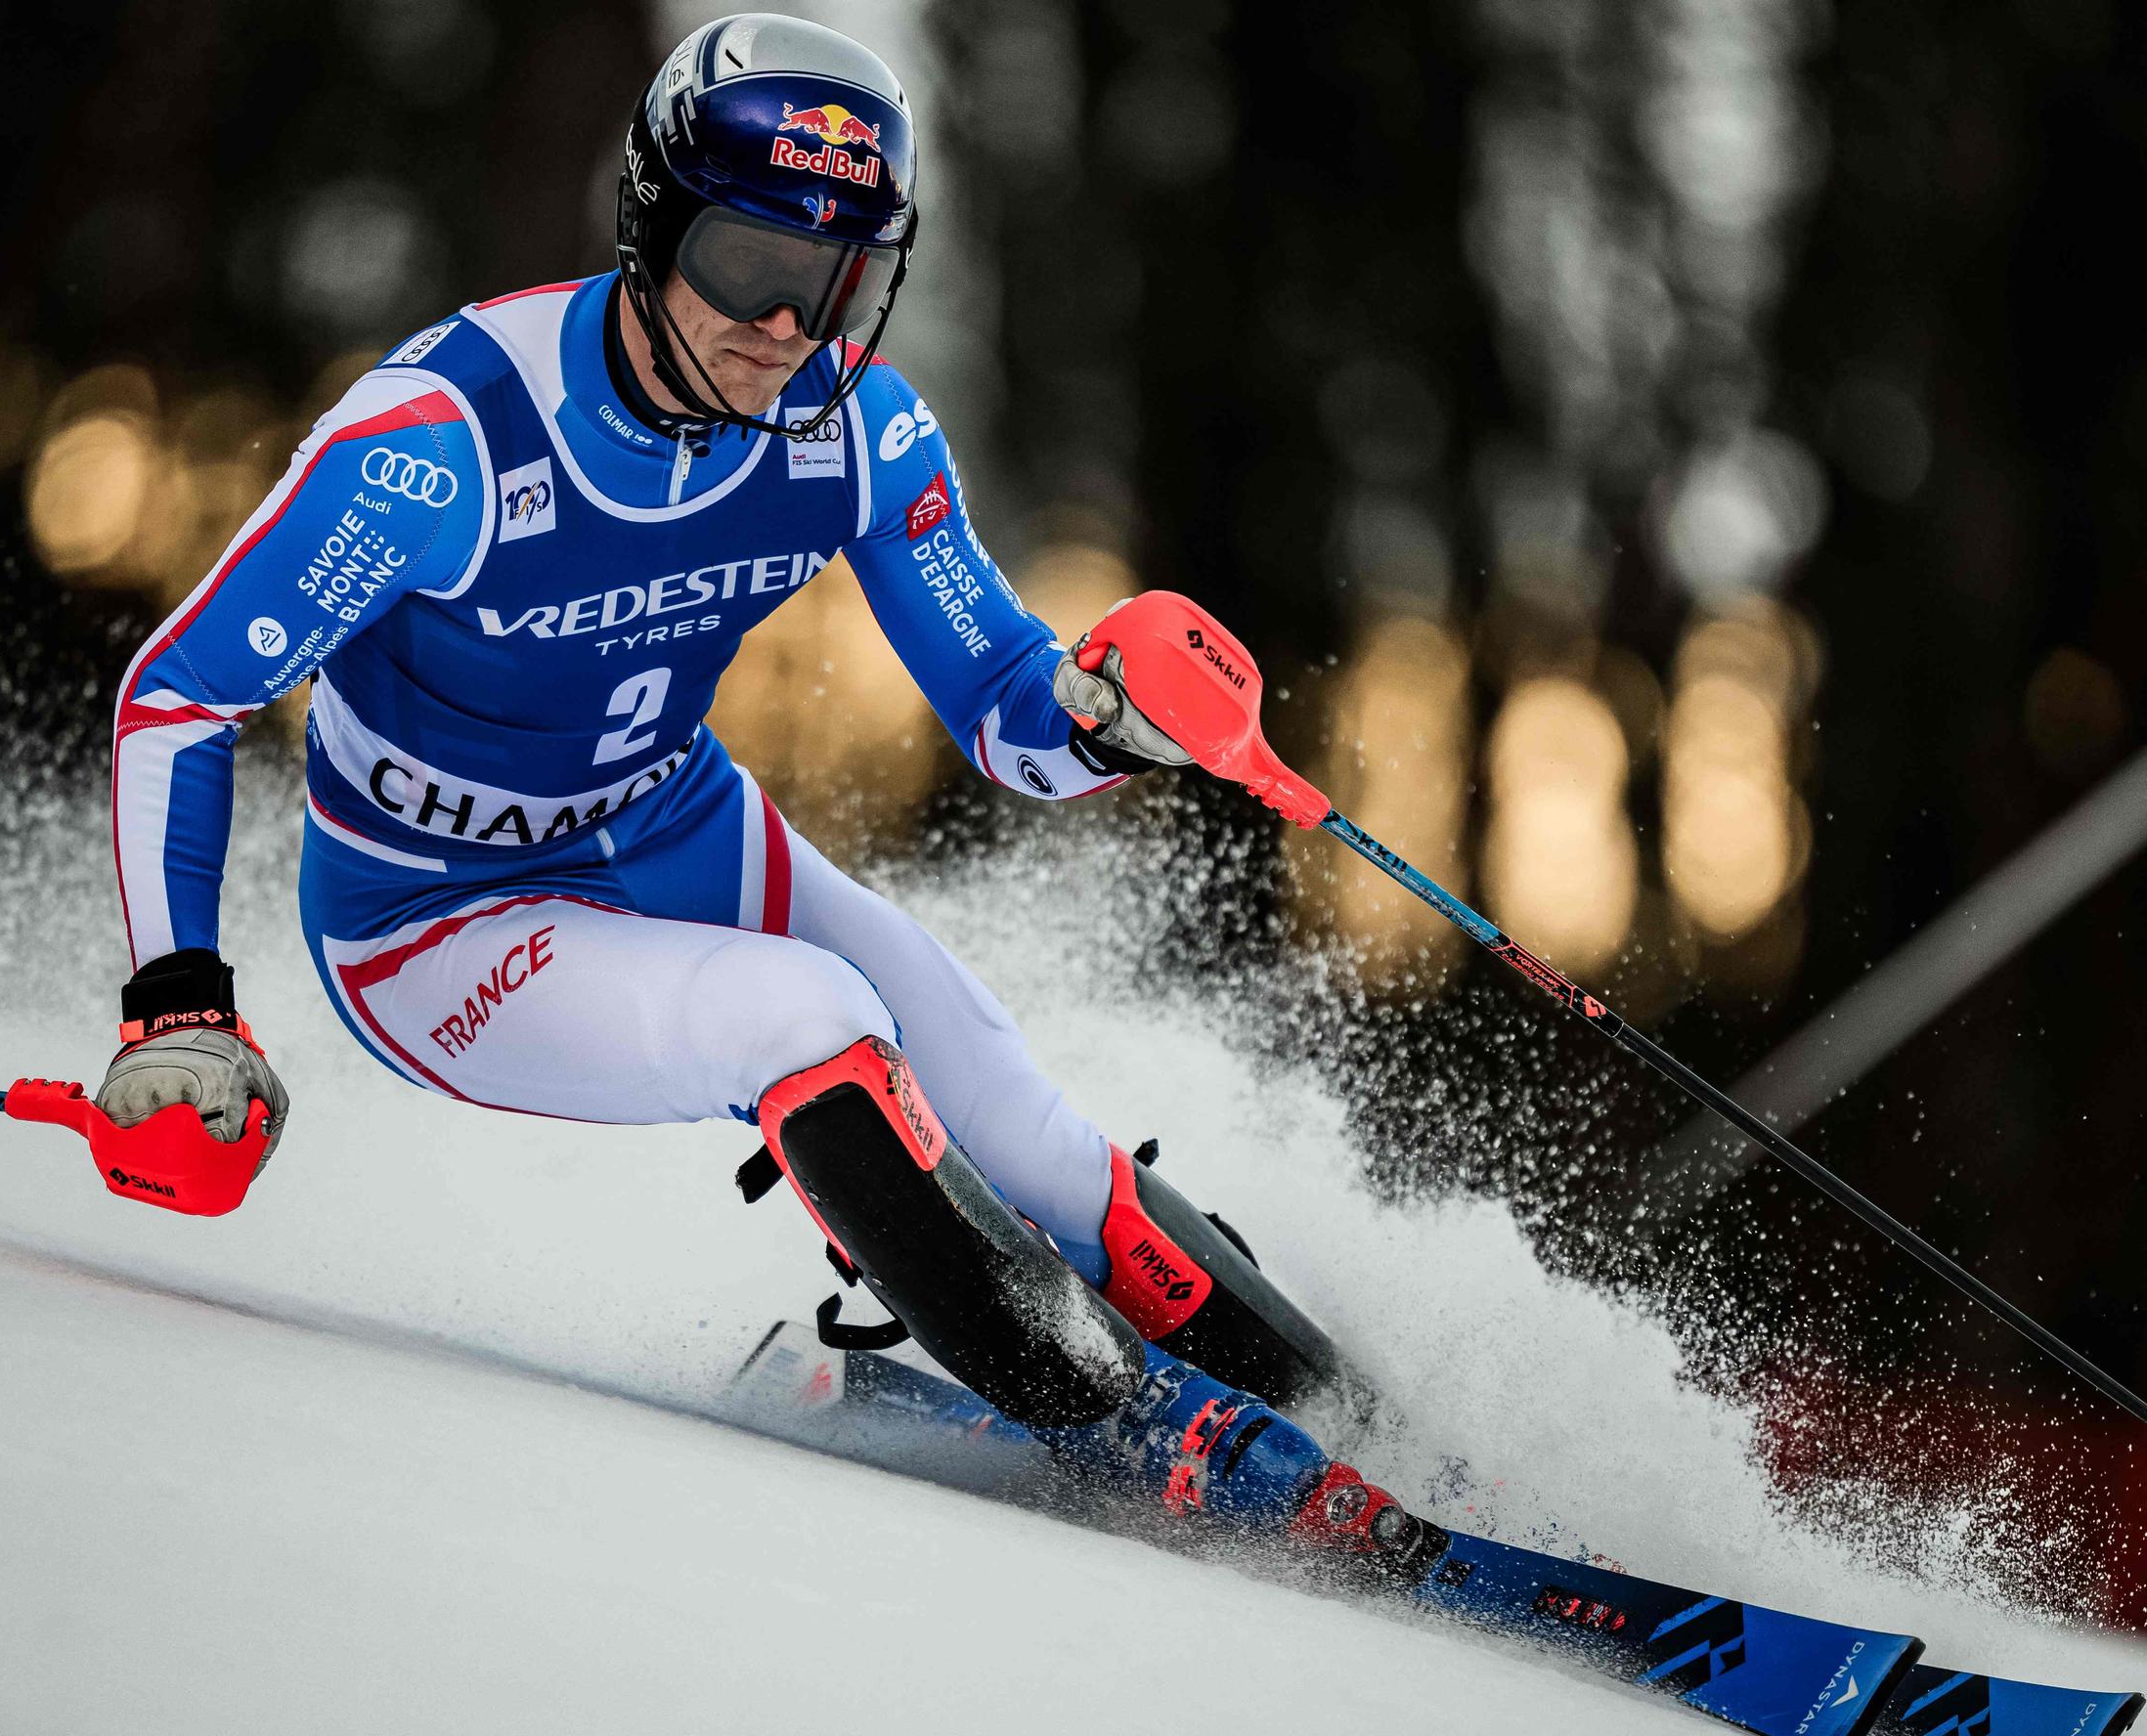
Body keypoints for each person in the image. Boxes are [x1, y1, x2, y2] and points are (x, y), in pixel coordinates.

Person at [97, 14, 1426, 1555]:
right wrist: (178, 1005)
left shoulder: (856, 433)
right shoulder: (442, 442)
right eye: (748, 264)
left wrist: (1107, 720)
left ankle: (1390, 1449)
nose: (788, 325)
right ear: (652, 224)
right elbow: (181, 693)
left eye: (839, 278)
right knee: (813, 1025)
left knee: (1057, 1158)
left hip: (677, 831)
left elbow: (1007, 710)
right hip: (434, 923)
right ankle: (1121, 1429)